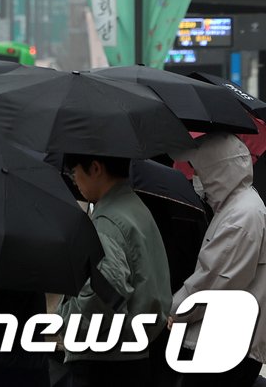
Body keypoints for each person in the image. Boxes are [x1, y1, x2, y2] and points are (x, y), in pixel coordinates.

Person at [57, 153, 173, 386]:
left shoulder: (108, 222)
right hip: (136, 351)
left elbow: (102, 298)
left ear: (96, 168)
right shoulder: (134, 206)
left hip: (106, 361)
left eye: (74, 172)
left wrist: (66, 323)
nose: (74, 180)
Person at [170, 133, 266, 386]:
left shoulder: (240, 216)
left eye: (199, 169)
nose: (196, 178)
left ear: (216, 169)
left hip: (225, 343)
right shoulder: (239, 207)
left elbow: (215, 281)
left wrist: (175, 312)